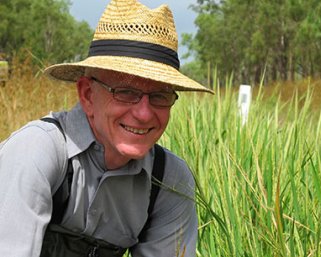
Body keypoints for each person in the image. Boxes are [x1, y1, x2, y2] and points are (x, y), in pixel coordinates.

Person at [0, 0, 213, 256]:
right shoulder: (36, 151)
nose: (144, 114)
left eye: (160, 95)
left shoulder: (169, 180)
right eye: (125, 92)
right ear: (87, 94)